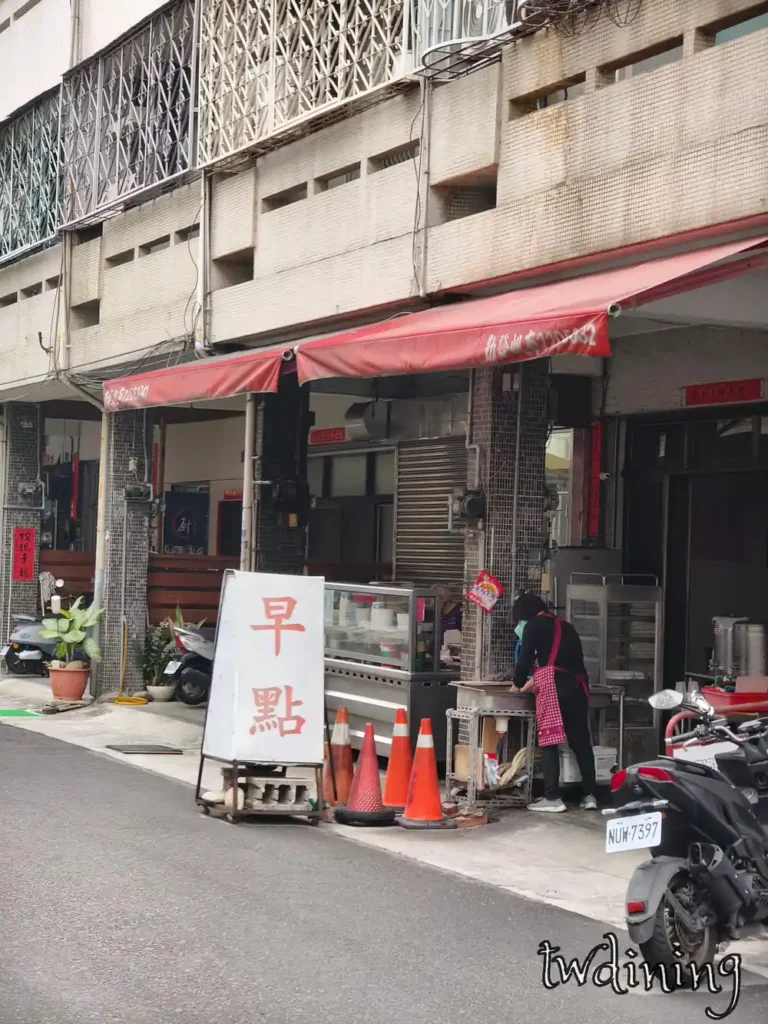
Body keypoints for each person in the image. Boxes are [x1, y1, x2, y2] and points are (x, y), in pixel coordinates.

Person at [511, 593, 597, 813]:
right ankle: (590, 795)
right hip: (578, 687)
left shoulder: (533, 627)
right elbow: (567, 661)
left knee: (549, 741)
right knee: (581, 742)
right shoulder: (567, 626)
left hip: (554, 688)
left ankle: (552, 797)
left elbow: (524, 662)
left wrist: (517, 684)